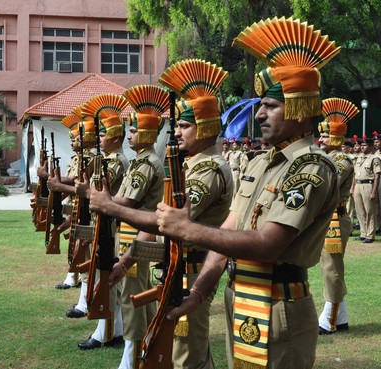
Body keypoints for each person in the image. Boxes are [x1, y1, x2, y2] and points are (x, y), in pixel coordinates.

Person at [156, 17, 341, 369]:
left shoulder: (311, 167)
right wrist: (199, 292)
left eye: (270, 106)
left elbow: (269, 244)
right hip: (240, 297)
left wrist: (187, 229)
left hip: (278, 305)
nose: (259, 115)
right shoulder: (259, 164)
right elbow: (228, 230)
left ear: (301, 108)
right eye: (261, 106)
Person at [91, 60, 234, 368]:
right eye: (177, 126)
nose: (176, 132)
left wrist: (111, 207)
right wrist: (127, 259)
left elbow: (165, 223)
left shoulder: (208, 170)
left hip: (193, 271)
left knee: (186, 355)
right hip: (176, 267)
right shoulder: (188, 167)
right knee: (185, 353)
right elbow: (160, 222)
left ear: (207, 127)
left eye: (184, 126)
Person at [90, 84, 168, 369]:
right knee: (130, 296)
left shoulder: (147, 164)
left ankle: (133, 358)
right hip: (130, 234)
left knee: (135, 297)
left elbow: (124, 203)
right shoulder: (138, 162)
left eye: (134, 131)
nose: (129, 135)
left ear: (146, 133)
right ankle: (135, 350)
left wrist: (94, 196)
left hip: (140, 236)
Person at [74, 93, 129, 350]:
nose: (101, 139)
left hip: (112, 226)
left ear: (115, 138)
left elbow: (101, 191)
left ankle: (103, 333)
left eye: (105, 134)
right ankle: (113, 329)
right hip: (103, 223)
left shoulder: (117, 162)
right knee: (105, 279)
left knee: (106, 279)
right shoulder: (104, 160)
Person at [47, 106, 98, 317]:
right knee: (78, 250)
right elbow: (74, 182)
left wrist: (60, 187)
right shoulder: (82, 157)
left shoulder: (94, 158)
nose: (73, 141)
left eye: (77, 137)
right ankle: (75, 282)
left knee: (87, 256)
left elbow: (83, 188)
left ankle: (85, 302)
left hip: (91, 213)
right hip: (81, 209)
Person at [316, 98, 359, 335]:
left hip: (335, 218)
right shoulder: (328, 158)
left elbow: (327, 182)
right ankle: (340, 317)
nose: (319, 140)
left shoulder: (341, 160)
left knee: (332, 268)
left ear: (335, 138)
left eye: (324, 137)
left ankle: (329, 320)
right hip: (327, 218)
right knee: (328, 267)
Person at [351, 134, 380, 243]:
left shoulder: (374, 159)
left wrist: (374, 191)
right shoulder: (358, 158)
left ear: (371, 147)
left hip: (368, 185)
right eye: (361, 145)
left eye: (365, 145)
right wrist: (353, 188)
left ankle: (370, 235)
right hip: (358, 185)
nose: (362, 147)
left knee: (370, 211)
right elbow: (354, 174)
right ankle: (363, 233)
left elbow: (377, 176)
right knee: (359, 211)